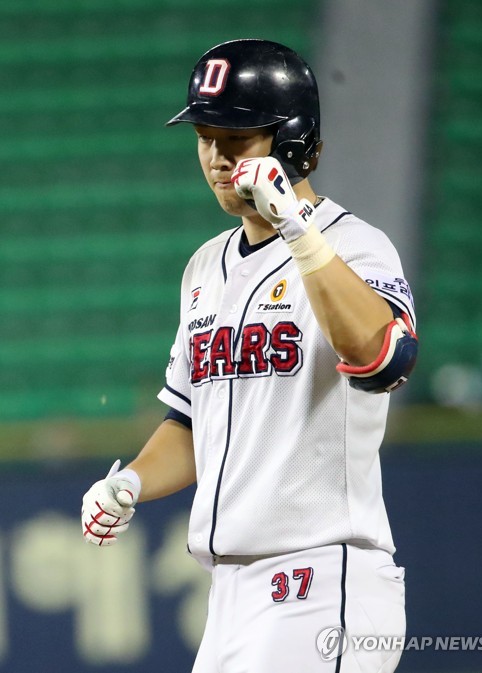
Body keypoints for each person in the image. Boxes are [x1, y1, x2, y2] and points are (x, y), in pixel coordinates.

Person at [81, 39, 418, 673]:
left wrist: (297, 228)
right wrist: (130, 483)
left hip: (321, 581)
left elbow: (384, 360)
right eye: (205, 135)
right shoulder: (204, 267)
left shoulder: (358, 246)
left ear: (291, 141)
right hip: (230, 599)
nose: (214, 155)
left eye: (235, 135)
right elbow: (189, 424)